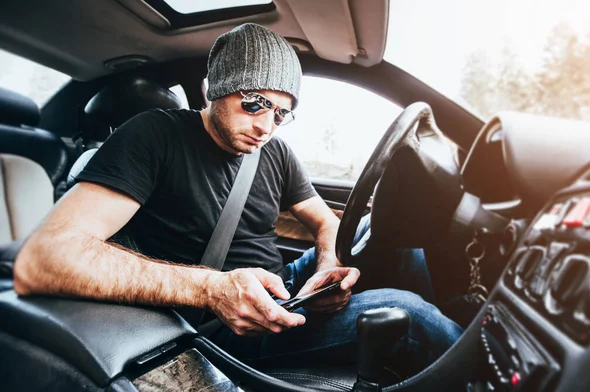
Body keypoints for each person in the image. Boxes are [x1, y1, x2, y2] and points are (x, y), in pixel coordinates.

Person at [13, 23, 461, 376]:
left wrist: (326, 267)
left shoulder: (275, 152)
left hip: (279, 288)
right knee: (406, 315)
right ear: (214, 89)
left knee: (387, 236)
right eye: (254, 103)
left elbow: (327, 223)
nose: (267, 126)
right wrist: (213, 288)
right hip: (219, 321)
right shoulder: (154, 136)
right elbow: (45, 257)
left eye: (281, 113)